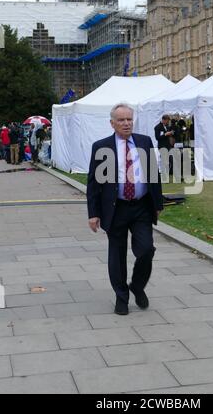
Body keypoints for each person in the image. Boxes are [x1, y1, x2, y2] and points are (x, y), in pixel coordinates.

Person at [87, 104, 163, 316]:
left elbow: (153, 174)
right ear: (112, 123)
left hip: (141, 207)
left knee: (147, 249)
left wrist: (158, 204)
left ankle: (137, 286)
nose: (126, 123)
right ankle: (122, 296)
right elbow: (93, 183)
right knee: (117, 256)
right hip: (115, 209)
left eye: (129, 119)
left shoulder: (144, 142)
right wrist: (93, 213)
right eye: (121, 120)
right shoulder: (101, 147)